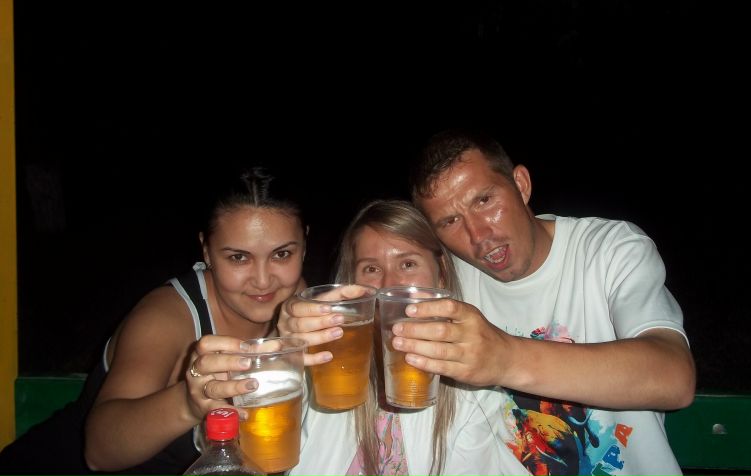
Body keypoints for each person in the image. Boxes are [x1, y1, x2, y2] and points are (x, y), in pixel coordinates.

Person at [387, 129, 697, 476]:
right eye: (450, 221)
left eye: (484, 201)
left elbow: (674, 377)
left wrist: (504, 357)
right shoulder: (449, 285)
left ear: (521, 184)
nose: (478, 234)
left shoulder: (609, 249)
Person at [0, 167, 308, 475]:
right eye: (238, 257)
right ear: (207, 251)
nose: (263, 281)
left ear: (304, 246)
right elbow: (99, 451)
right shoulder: (165, 318)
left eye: (281, 255)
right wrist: (188, 401)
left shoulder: (298, 302)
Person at [280, 199, 527, 476]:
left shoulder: (474, 392)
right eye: (371, 269)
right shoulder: (320, 369)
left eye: (408, 264)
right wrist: (284, 356)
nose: (389, 286)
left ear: (441, 275)